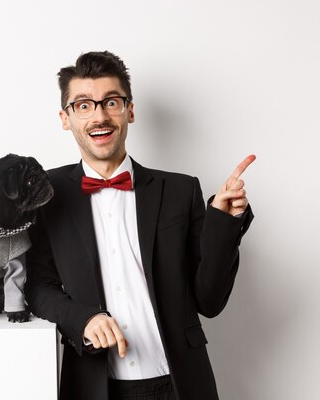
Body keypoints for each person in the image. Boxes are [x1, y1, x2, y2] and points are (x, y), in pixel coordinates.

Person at [25, 51, 255, 400]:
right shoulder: (45, 194)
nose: (99, 116)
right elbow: (37, 288)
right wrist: (83, 319)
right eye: (83, 105)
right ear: (65, 117)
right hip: (93, 385)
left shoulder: (180, 190)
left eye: (111, 102)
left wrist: (224, 222)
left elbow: (209, 300)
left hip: (178, 384)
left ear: (129, 110)